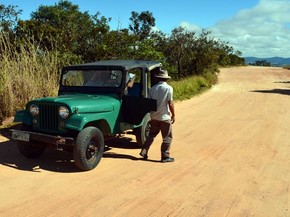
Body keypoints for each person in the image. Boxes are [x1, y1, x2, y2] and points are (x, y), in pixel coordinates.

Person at [139, 69, 175, 163]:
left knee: (151, 135)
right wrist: (173, 115)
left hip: (154, 116)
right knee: (167, 137)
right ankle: (165, 156)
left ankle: (144, 151)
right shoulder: (168, 88)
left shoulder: (153, 88)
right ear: (166, 79)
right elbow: (170, 103)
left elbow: (150, 102)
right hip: (164, 117)